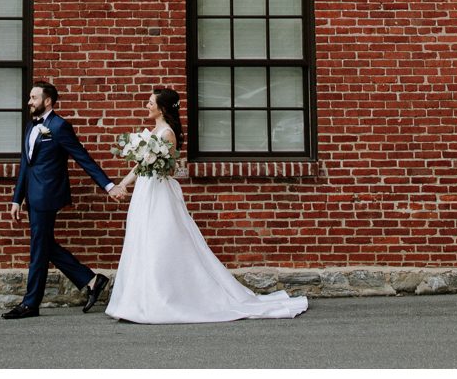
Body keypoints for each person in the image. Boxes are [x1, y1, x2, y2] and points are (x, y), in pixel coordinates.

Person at [105, 87, 309, 324]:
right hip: (145, 190)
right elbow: (140, 165)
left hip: (159, 192)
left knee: (159, 239)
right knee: (141, 238)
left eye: (150, 102)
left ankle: (163, 297)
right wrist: (122, 184)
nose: (147, 106)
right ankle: (138, 298)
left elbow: (171, 169)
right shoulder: (151, 131)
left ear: (162, 107)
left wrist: (154, 162)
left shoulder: (167, 133)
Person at [4, 80, 123, 320]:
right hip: (32, 196)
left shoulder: (59, 127)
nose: (29, 102)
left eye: (34, 98)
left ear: (47, 101)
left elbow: (83, 158)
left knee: (39, 247)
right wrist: (17, 198)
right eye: (30, 97)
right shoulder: (31, 126)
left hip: (47, 195)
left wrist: (108, 186)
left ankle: (30, 303)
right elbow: (25, 165)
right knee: (44, 244)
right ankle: (91, 280)